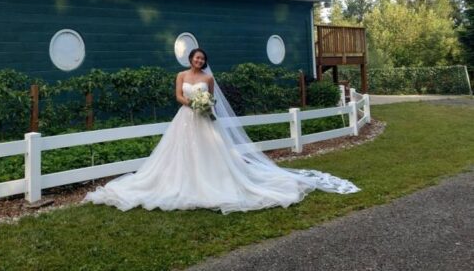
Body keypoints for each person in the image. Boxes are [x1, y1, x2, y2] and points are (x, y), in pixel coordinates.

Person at [84, 48, 359, 214]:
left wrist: (205, 104)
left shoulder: (208, 78)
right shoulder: (181, 76)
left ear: (205, 62)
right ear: (190, 58)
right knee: (177, 154)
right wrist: (192, 102)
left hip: (204, 118)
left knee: (212, 152)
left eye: (202, 59)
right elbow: (178, 96)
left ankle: (214, 182)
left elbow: (212, 98)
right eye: (196, 57)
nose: (199, 61)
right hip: (185, 118)